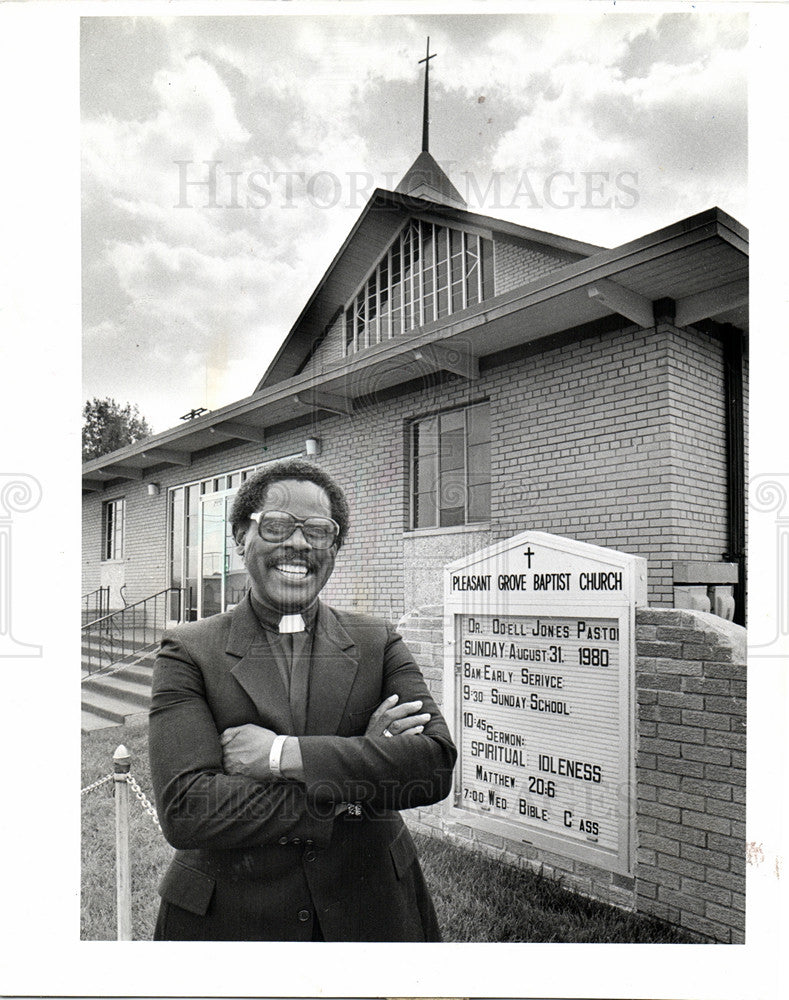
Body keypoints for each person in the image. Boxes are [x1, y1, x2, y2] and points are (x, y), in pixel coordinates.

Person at [148, 459, 457, 941]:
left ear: (333, 547)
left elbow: (432, 767)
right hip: (232, 922)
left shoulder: (377, 641)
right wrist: (360, 782)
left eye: (318, 530)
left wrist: (279, 756)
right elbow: (188, 810)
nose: (298, 543)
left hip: (373, 910)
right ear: (239, 538)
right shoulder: (189, 649)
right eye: (275, 526)